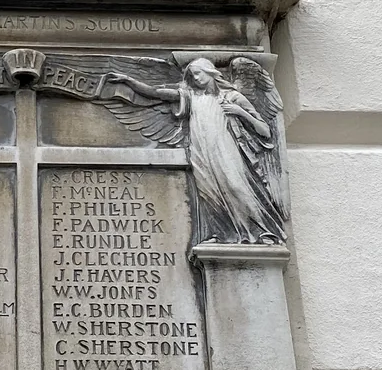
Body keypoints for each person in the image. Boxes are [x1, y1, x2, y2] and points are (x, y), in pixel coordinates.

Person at [110, 58, 286, 244]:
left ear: (209, 72)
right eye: (192, 76)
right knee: (208, 193)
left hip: (226, 151)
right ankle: (223, 235)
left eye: (198, 73)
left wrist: (239, 112)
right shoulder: (191, 96)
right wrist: (128, 81)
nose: (196, 78)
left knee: (236, 186)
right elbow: (155, 93)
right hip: (201, 152)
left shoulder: (232, 97)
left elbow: (265, 131)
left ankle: (263, 233)